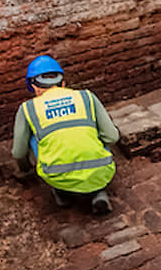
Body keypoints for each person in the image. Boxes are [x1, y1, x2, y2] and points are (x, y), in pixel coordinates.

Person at [12, 55, 120, 215]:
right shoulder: (87, 97)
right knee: (93, 129)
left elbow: (18, 152)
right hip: (102, 170)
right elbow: (112, 137)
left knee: (36, 137)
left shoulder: (28, 108)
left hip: (56, 175)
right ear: (63, 83)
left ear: (33, 87)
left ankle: (63, 193)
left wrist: (25, 169)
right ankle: (98, 193)